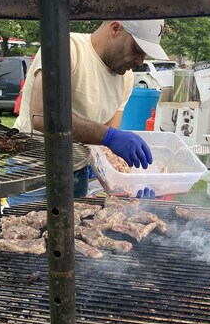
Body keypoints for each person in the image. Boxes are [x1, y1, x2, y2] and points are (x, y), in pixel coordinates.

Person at [9, 20, 169, 206]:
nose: (140, 61)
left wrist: (129, 185)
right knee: (25, 233)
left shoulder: (126, 77)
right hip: (32, 171)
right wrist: (109, 136)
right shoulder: (66, 48)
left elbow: (106, 141)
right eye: (137, 49)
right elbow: (42, 117)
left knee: (75, 233)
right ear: (115, 29)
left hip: (78, 170)